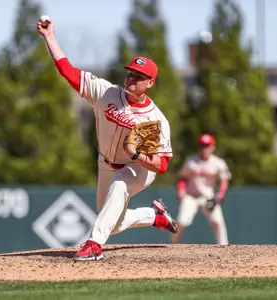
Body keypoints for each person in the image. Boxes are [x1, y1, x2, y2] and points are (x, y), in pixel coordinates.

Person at [37, 17, 178, 261]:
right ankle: (156, 217)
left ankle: (93, 244)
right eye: (131, 72)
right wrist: (50, 37)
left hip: (137, 167)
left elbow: (161, 165)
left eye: (139, 75)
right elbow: (68, 72)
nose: (132, 78)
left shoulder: (153, 120)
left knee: (121, 185)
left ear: (150, 83)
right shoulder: (106, 93)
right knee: (113, 223)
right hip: (106, 163)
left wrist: (137, 155)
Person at [170, 134, 231, 245]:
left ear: (213, 147)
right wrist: (181, 190)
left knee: (217, 221)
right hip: (190, 196)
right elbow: (182, 178)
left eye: (207, 145)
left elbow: (224, 180)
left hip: (207, 197)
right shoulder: (191, 161)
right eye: (202, 145)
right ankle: (171, 243)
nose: (204, 148)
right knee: (182, 221)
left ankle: (224, 246)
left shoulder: (218, 163)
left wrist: (220, 195)